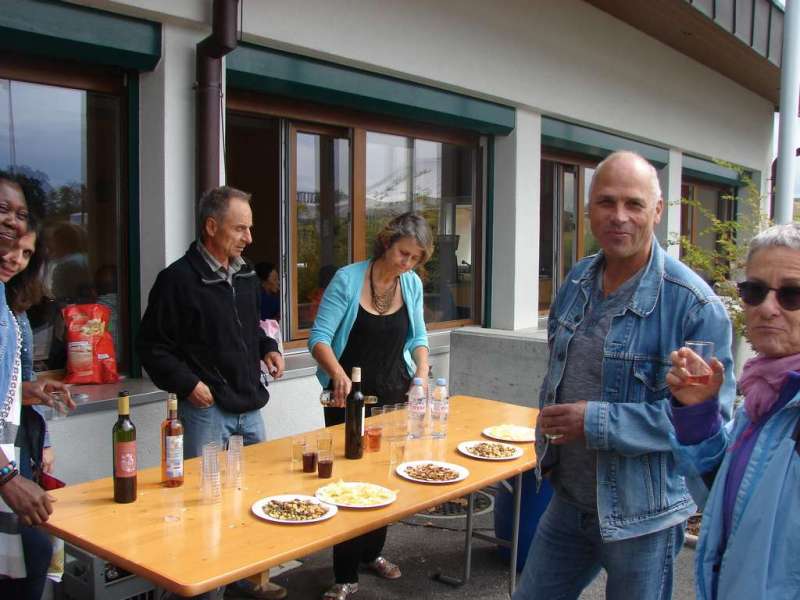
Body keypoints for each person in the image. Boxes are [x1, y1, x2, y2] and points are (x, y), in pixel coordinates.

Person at [513, 151, 736, 600]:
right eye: (606, 202)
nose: (619, 217)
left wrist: (593, 421)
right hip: (570, 499)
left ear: (657, 211)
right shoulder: (577, 280)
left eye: (634, 204)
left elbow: (709, 425)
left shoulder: (693, 305)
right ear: (589, 208)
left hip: (643, 515)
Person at [137, 185, 287, 600]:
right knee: (206, 505)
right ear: (211, 226)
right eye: (240, 228)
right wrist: (188, 384)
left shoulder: (245, 276)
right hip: (206, 412)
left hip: (248, 404)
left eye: (249, 229)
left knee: (254, 497)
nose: (249, 238)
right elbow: (151, 347)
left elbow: (248, 330)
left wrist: (268, 348)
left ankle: (247, 575)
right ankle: (206, 590)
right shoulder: (177, 280)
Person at [668, 222, 800, 599]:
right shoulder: (767, 393)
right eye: (754, 291)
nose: (767, 308)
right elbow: (729, 507)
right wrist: (697, 416)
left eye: (791, 294)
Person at [309, 212, 432, 600]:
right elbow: (319, 338)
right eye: (403, 254)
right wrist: (337, 374)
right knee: (347, 482)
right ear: (386, 243)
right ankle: (344, 573)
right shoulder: (347, 280)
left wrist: (424, 373)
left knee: (385, 477)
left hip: (394, 392)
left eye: (415, 258)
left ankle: (372, 553)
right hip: (348, 397)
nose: (407, 264)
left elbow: (418, 338)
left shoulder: (410, 284)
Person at [0, 176, 71, 600]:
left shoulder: (11, 305)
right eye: (3, 211)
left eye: (22, 216)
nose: (16, 256)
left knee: (33, 558)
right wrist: (8, 477)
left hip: (16, 455)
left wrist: (31, 393)